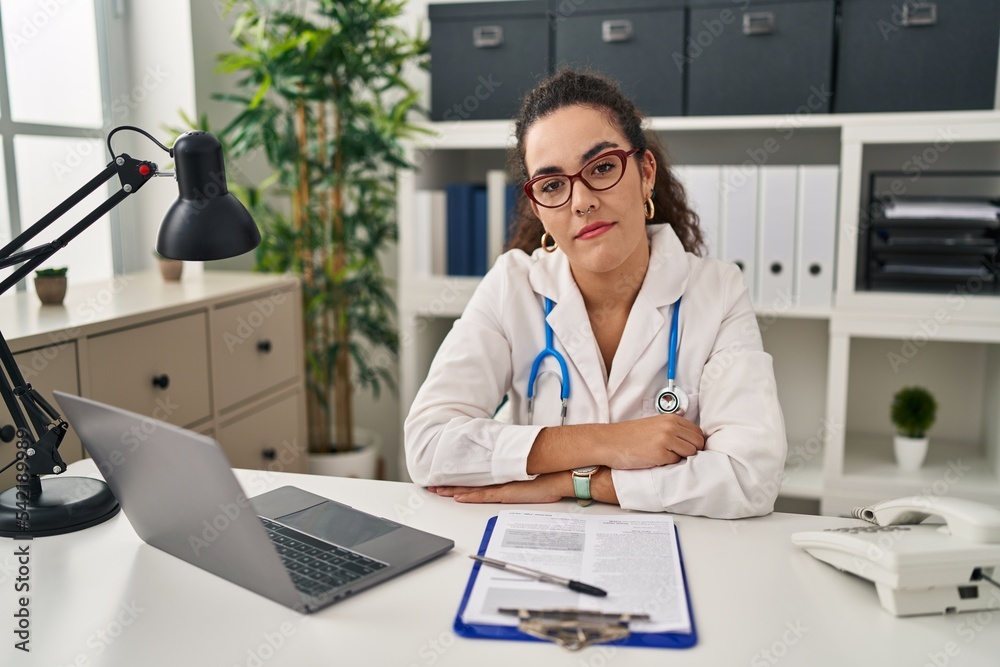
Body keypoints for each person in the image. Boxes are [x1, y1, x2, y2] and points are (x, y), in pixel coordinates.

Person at [404, 70, 787, 518]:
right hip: (539, 548)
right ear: (538, 208)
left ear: (645, 174)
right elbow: (427, 446)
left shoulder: (717, 291)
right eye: (552, 185)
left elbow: (750, 477)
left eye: (602, 167)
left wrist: (575, 482)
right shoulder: (512, 285)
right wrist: (610, 442)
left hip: (668, 551)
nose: (580, 201)